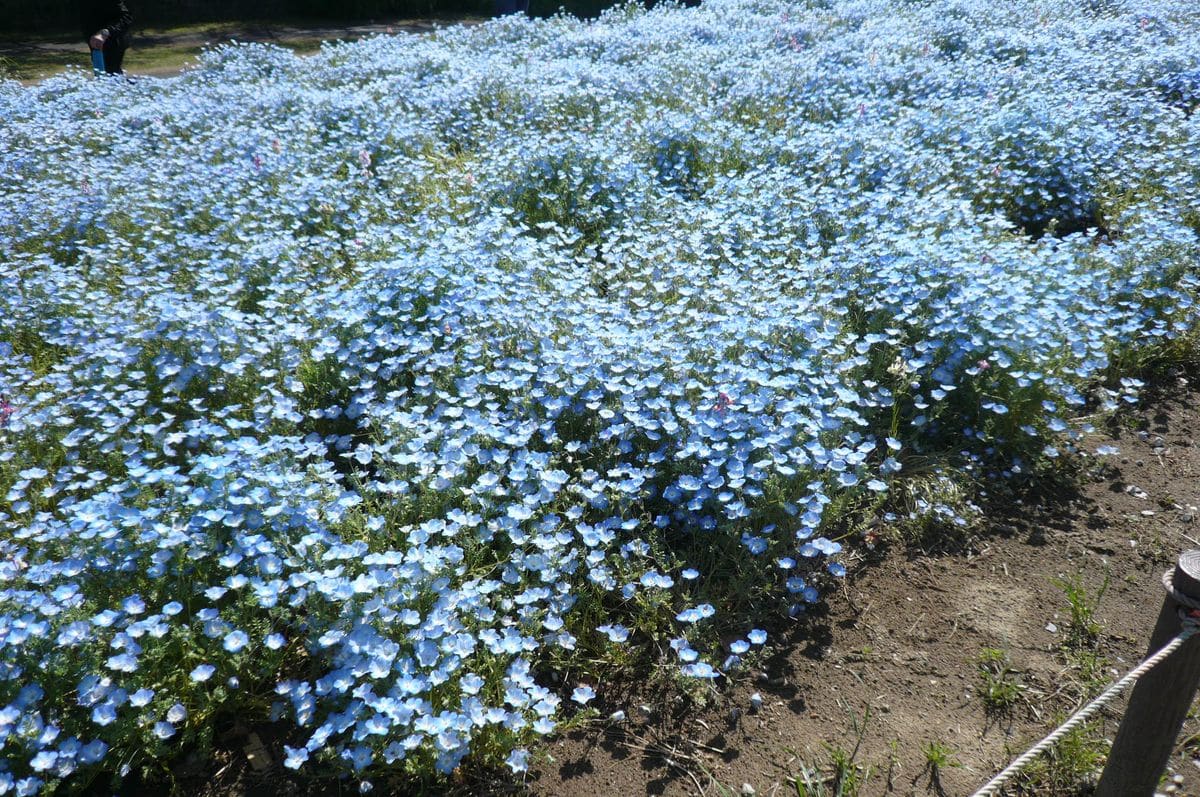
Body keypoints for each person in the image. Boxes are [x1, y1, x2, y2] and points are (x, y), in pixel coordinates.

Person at [79, 0, 133, 75]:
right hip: (94, 41)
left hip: (113, 39)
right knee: (100, 75)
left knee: (111, 75)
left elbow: (126, 18)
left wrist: (105, 32)